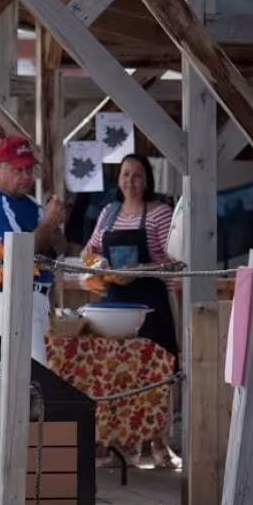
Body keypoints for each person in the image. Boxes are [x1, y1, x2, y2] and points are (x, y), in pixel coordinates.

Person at [0, 136, 65, 364]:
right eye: (18, 170)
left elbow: (60, 247)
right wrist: (48, 225)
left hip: (34, 299)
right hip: (11, 300)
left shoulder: (28, 202)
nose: (26, 176)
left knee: (31, 376)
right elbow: (16, 256)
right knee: (30, 378)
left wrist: (52, 226)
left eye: (29, 169)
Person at [83, 153, 178, 362]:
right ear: (118, 179)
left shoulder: (161, 213)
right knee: (116, 365)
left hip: (150, 306)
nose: (130, 181)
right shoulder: (108, 212)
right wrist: (101, 266)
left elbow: (174, 263)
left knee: (153, 365)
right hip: (114, 307)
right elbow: (89, 251)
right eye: (125, 174)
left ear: (147, 181)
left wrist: (140, 269)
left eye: (137, 176)